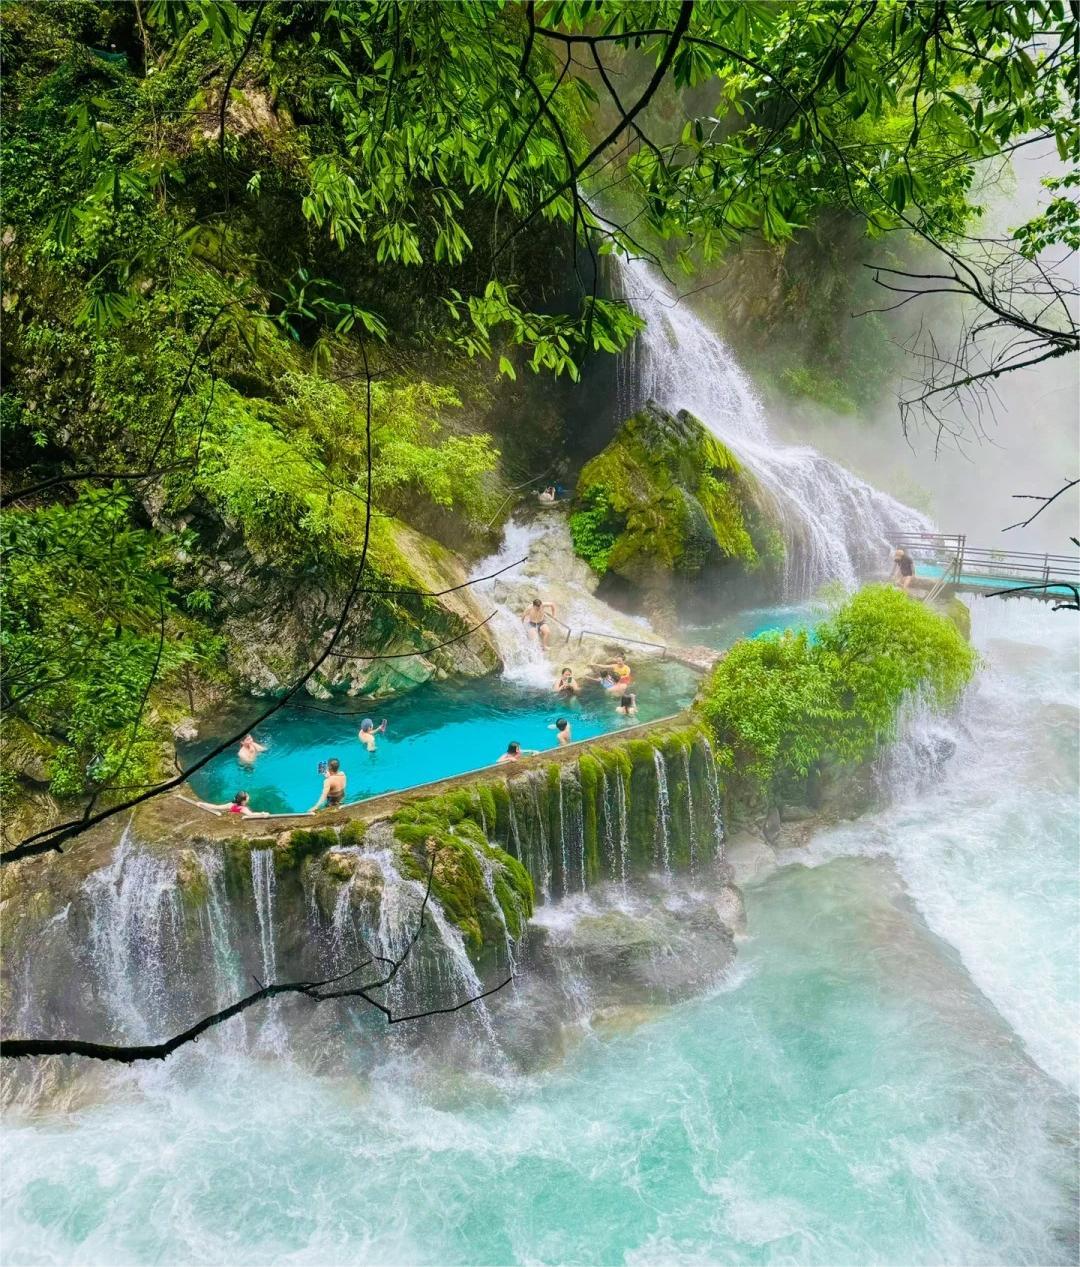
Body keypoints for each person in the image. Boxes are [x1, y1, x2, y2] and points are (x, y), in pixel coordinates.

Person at [197, 790, 270, 819]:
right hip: (235, 813)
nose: (249, 797)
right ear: (243, 801)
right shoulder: (243, 809)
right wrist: (262, 813)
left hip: (230, 811)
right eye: (247, 797)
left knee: (217, 807)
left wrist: (201, 803)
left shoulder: (231, 804)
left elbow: (216, 807)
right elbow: (251, 814)